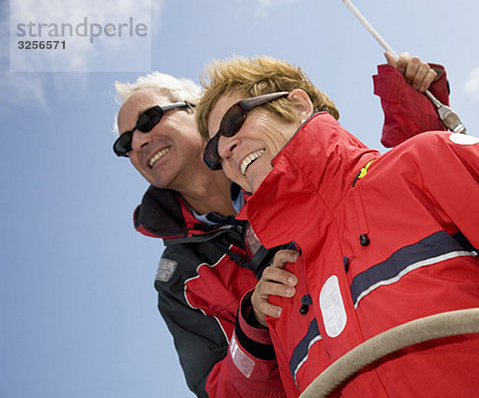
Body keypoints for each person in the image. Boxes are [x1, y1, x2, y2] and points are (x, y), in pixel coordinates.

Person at [195, 55, 479, 397]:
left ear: (297, 104)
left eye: (234, 120)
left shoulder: (427, 163)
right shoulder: (281, 296)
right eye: (215, 152)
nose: (226, 150)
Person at [112, 54, 447, 398]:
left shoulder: (288, 155)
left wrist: (415, 106)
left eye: (149, 119)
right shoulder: (180, 279)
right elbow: (221, 393)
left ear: (197, 110)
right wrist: (253, 323)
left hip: (437, 358)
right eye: (124, 145)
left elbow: (405, 199)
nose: (138, 142)